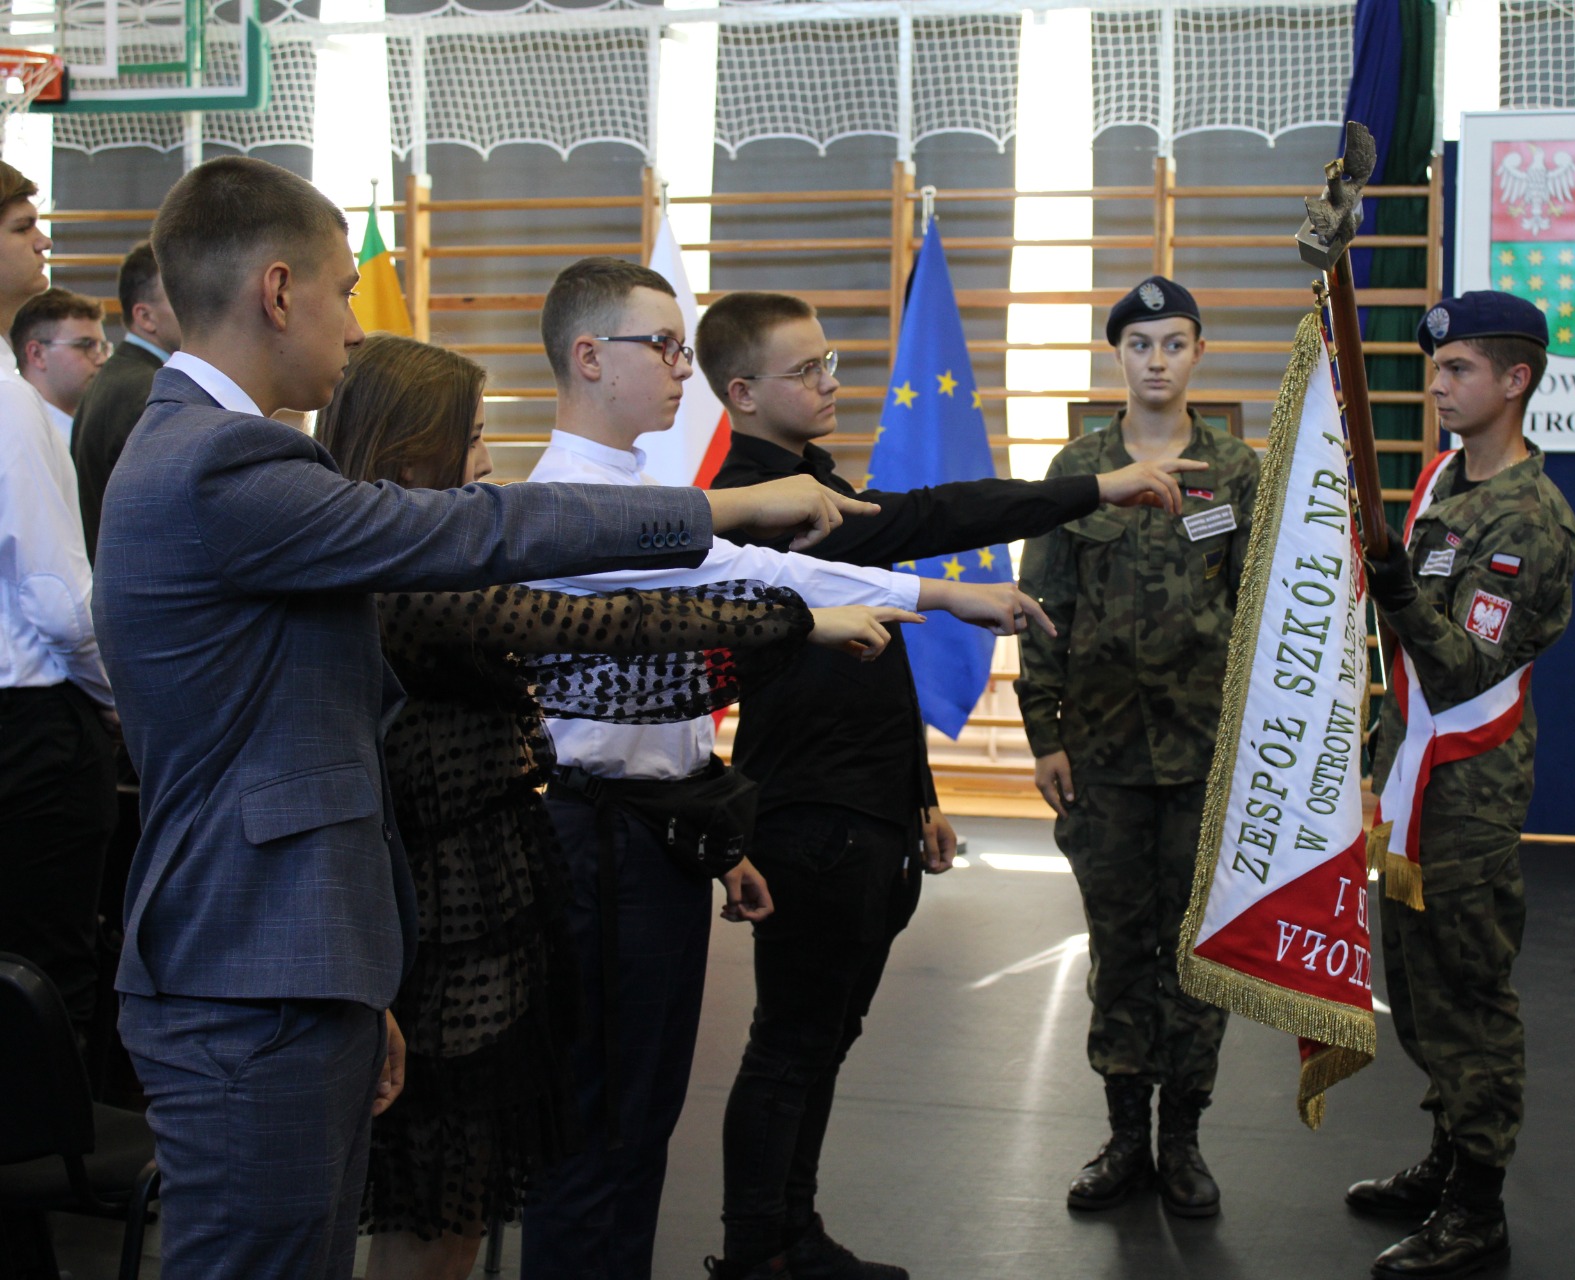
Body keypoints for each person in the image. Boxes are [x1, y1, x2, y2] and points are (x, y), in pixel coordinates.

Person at [90, 157, 882, 1280]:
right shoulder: (220, 458)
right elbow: (480, 533)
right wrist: (725, 505)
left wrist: (359, 980)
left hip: (294, 955)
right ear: (277, 291)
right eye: (344, 292)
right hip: (248, 966)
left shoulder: (205, 447)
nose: (355, 327)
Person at [312, 334, 912, 1280]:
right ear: (409, 460)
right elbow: (610, 626)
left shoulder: (435, 566)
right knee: (444, 1208)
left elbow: (610, 667)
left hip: (491, 908)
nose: (488, 461)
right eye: (471, 437)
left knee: (475, 1201)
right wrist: (794, 621)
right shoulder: (413, 586)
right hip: (444, 932)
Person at [512, 258, 1050, 1280]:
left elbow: (754, 569)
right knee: (599, 1126)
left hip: (662, 829)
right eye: (661, 346)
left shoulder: (639, 493)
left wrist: (934, 597)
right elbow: (742, 579)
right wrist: (857, 609)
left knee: (640, 1120)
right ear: (588, 357)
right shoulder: (567, 501)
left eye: (684, 348)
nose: (682, 369)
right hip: (602, 838)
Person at [696, 289, 1200, 1279]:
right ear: (742, 392)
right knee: (791, 1044)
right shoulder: (762, 501)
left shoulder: (811, 481)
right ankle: (759, 1248)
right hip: (812, 815)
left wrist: (919, 793)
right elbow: (939, 514)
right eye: (807, 369)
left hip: (863, 807)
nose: (831, 382)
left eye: (830, 361)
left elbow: (868, 669)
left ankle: (792, 1233)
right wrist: (1096, 489)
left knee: (822, 1038)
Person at [1350, 291, 1575, 1280]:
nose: (1437, 385)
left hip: (1469, 791)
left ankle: (1478, 1205)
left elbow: (1465, 669)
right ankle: (1447, 1156)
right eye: (1435, 368)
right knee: (1415, 988)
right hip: (1413, 776)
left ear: (1515, 380)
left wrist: (1399, 588)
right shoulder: (1445, 482)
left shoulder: (1532, 516)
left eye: (1458, 370)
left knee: (1468, 993)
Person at [1016, 276, 1258, 1220]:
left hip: (1206, 755)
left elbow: (1258, 613)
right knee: (1118, 948)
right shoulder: (1078, 467)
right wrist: (1044, 735)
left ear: (1199, 353)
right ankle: (1124, 1135)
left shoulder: (1235, 471)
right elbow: (1046, 608)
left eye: (1174, 343)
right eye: (1140, 344)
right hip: (1104, 754)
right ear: (1116, 355)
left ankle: (1183, 1137)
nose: (1157, 361)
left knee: (1198, 952)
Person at [0, 162, 118, 1044]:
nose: (42, 240)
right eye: (19, 226)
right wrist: (122, 694)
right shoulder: (9, 402)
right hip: (30, 733)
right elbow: (59, 600)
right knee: (45, 979)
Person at [72, 240, 180, 560]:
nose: (199, 306)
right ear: (145, 316)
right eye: (181, 296)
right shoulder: (149, 391)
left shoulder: (117, 376)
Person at [11, 285, 108, 449]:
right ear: (37, 354)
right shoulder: (20, 433)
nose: (102, 360)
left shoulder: (88, 432)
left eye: (102, 347)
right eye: (86, 345)